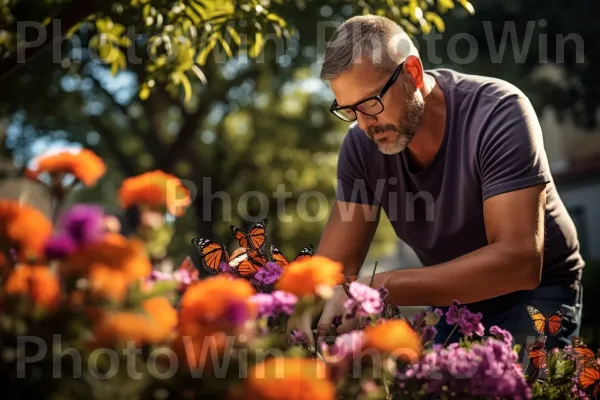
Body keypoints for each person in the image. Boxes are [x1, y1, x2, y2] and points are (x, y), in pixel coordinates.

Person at [291, 15, 585, 350]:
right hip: (454, 304)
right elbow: (334, 269)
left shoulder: (497, 112)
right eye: (350, 111)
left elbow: (518, 263)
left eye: (371, 102)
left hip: (536, 295)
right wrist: (305, 305)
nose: (364, 125)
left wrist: (377, 286)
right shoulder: (361, 146)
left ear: (413, 73)